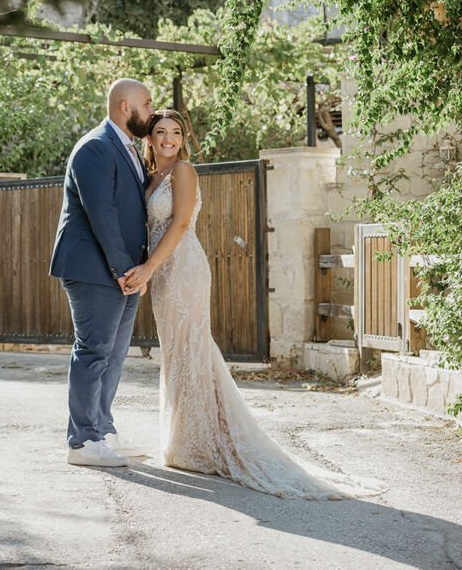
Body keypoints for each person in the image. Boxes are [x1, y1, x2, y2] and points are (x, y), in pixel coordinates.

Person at [124, 110, 382, 499]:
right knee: (176, 352)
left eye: (176, 132)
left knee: (193, 348)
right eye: (161, 132)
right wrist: (146, 271)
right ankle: (185, 439)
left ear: (183, 138)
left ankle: (202, 444)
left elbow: (179, 224)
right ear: (150, 138)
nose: (168, 139)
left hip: (183, 269)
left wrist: (147, 268)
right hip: (161, 274)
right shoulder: (150, 177)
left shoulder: (183, 172)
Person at [49, 78, 154, 468]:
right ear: (126, 108)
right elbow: (102, 215)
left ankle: (104, 432)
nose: (152, 110)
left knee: (113, 356)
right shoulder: (94, 147)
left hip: (124, 270)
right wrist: (125, 270)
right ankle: (82, 442)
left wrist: (140, 269)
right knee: (93, 352)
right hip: (95, 269)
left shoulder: (127, 148)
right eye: (147, 103)